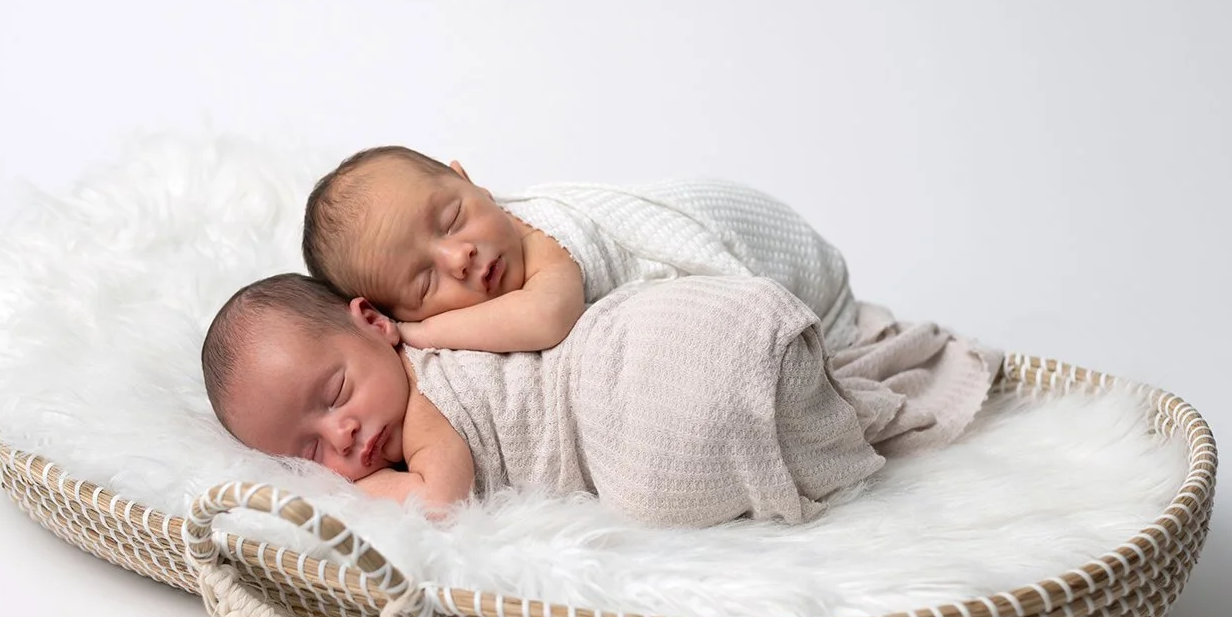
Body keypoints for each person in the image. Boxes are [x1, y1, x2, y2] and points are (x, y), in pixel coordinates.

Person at [202, 273, 997, 527]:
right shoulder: (398, 387)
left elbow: (442, 501)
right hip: (636, 366)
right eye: (308, 450)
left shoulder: (426, 397)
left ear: (375, 324)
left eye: (333, 394)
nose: (341, 437)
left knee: (661, 458)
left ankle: (773, 380)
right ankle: (785, 394)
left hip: (614, 374)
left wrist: (378, 488)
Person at [300, 146, 859, 353]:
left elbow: (548, 316)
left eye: (452, 219)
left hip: (753, 233)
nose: (459, 258)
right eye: (425, 285)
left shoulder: (541, 240)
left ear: (469, 181)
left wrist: (422, 332)